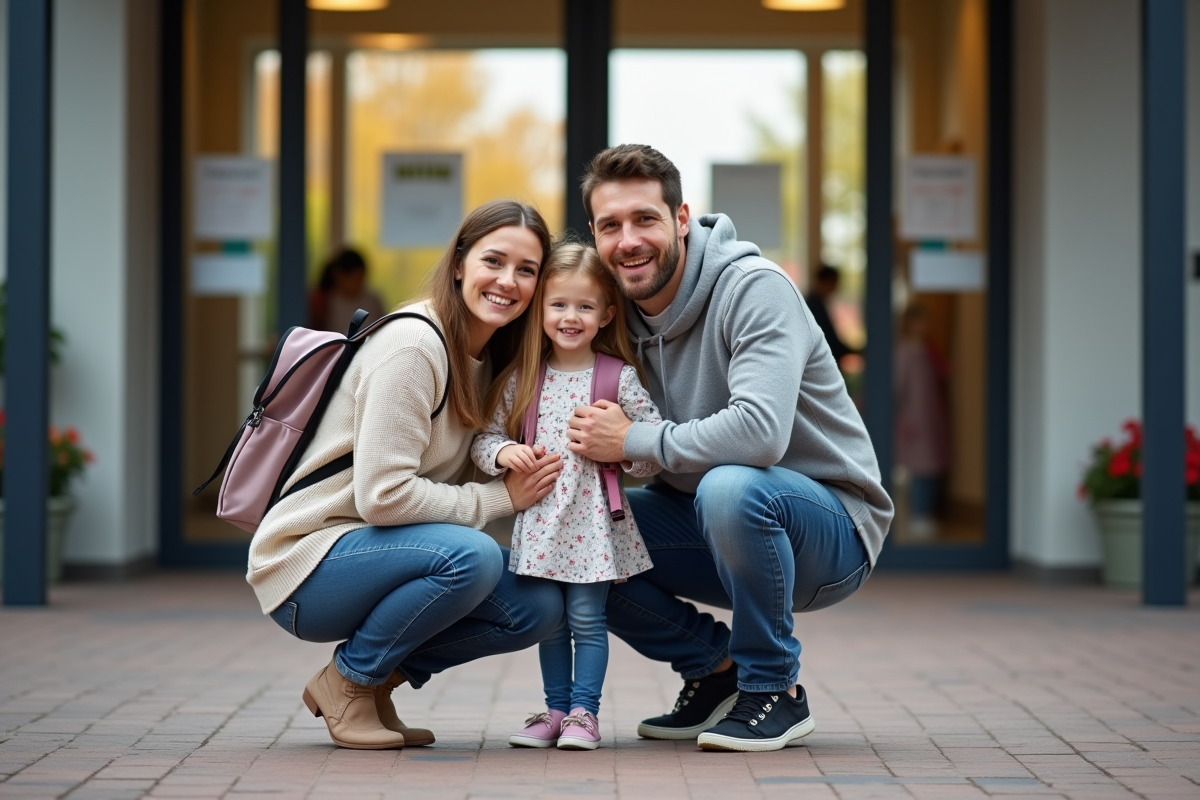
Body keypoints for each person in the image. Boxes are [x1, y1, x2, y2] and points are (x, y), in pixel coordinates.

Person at [567, 144, 894, 752]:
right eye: (610, 225)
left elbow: (759, 433)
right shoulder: (617, 317)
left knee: (731, 483)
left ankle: (775, 689)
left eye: (645, 219)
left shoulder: (754, 289)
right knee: (574, 533)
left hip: (829, 530)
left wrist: (635, 440)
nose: (628, 239)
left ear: (682, 218)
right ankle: (714, 670)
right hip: (711, 523)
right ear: (594, 234)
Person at [246, 200, 566, 750]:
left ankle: (376, 682)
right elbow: (383, 498)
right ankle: (348, 681)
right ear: (460, 261)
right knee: (472, 556)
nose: (508, 281)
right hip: (307, 563)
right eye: (494, 261)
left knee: (537, 607)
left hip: (376, 553)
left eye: (527, 270)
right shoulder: (415, 345)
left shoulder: (489, 357)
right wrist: (497, 499)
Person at [470, 243, 662, 751]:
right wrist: (505, 452)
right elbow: (483, 439)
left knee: (586, 621)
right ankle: (554, 712)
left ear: (606, 314)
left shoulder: (615, 376)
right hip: (541, 521)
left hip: (594, 526)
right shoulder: (523, 377)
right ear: (540, 310)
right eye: (558, 304)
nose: (570, 316)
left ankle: (584, 714)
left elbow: (651, 449)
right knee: (550, 624)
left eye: (584, 306)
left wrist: (621, 449)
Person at [894, 302, 951, 539]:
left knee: (928, 468)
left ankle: (924, 514)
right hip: (913, 419)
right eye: (919, 321)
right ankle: (919, 515)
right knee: (920, 467)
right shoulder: (905, 353)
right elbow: (897, 386)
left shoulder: (927, 351)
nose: (924, 326)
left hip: (929, 417)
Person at [309, 247, 388, 334]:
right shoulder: (324, 301)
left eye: (361, 279)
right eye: (354, 278)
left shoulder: (373, 301)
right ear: (338, 275)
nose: (358, 284)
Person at [804, 264, 859, 364]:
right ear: (825, 282)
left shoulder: (817, 305)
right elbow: (828, 341)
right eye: (833, 283)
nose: (835, 287)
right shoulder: (813, 307)